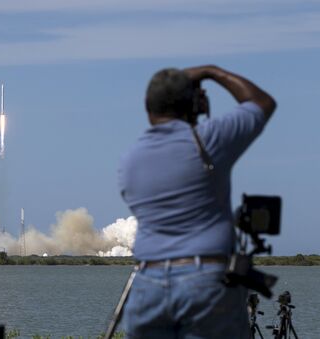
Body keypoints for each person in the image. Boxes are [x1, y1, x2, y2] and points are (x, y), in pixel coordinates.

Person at [118, 65, 276, 338]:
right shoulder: (209, 140)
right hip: (205, 282)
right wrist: (212, 72)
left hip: (148, 283)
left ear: (148, 107)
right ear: (194, 104)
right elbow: (262, 103)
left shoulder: (130, 160)